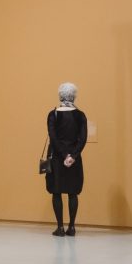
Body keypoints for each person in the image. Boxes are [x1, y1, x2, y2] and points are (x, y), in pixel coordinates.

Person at [46, 82, 88, 237]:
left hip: (57, 158)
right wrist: (72, 156)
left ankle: (60, 228)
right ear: (74, 96)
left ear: (60, 96)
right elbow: (83, 139)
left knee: (56, 192)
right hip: (74, 160)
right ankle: (72, 227)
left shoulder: (53, 114)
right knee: (73, 193)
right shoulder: (80, 115)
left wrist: (64, 155)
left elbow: (53, 138)